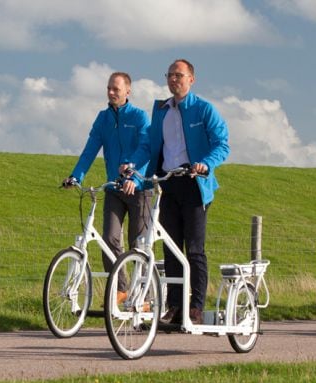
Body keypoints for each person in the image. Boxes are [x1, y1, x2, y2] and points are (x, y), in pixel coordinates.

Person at [122, 59, 229, 325]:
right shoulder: (161, 110)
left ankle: (195, 307)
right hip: (168, 182)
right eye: (170, 75)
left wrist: (206, 164)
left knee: (194, 249)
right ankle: (174, 306)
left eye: (179, 75)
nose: (173, 80)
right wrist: (134, 165)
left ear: (191, 79)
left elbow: (222, 144)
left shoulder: (204, 109)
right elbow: (148, 144)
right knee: (170, 249)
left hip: (195, 184)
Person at [63, 72, 151, 302]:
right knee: (109, 239)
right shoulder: (103, 118)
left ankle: (145, 295)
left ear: (127, 91)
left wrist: (136, 180)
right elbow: (90, 149)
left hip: (139, 190)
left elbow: (147, 151)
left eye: (116, 89)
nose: (111, 93)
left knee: (138, 244)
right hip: (114, 188)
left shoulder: (140, 117)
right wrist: (76, 176)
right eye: (109, 89)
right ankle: (120, 289)